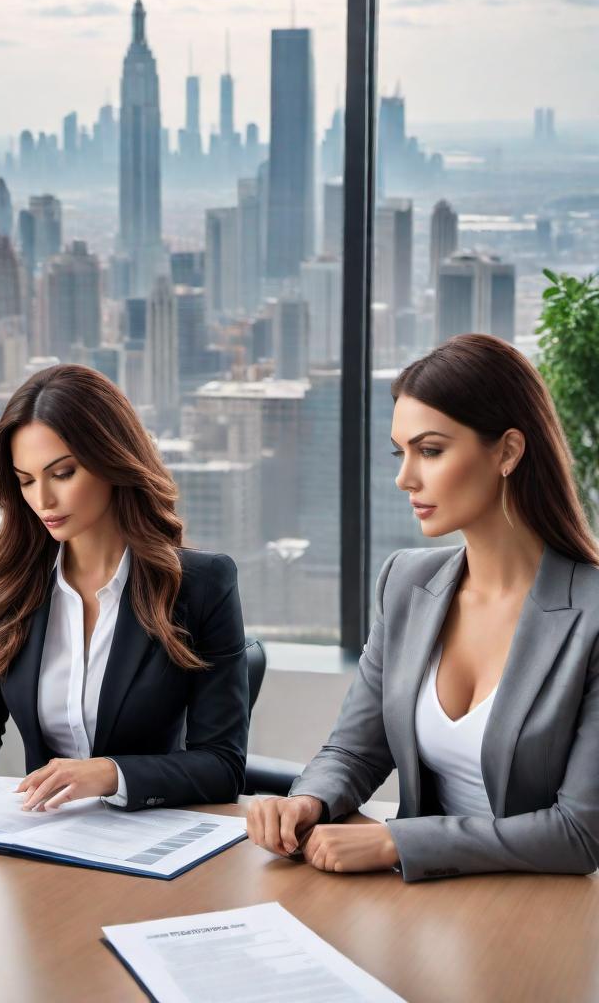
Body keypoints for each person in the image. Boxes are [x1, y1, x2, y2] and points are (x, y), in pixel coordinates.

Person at [248, 333, 599, 881]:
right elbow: (356, 750)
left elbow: (578, 834)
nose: (404, 477)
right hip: (424, 906)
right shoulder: (406, 582)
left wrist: (397, 841)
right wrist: (307, 802)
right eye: (401, 451)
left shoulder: (592, 615)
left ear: (507, 451)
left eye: (430, 451)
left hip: (544, 915)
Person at [0, 364, 249, 811]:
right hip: (41, 837)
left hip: (149, 839)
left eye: (63, 473)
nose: (42, 501)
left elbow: (223, 766)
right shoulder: (3, 573)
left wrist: (111, 774)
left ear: (111, 458)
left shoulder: (202, 586)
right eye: (26, 480)